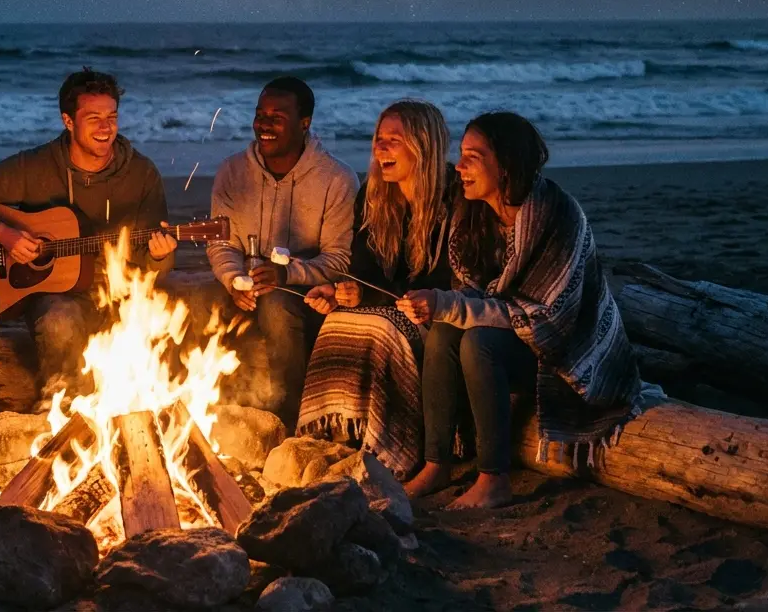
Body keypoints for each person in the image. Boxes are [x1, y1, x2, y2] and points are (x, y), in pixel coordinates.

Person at [399, 111, 640, 509]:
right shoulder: (472, 213)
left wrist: (450, 305)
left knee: (479, 342)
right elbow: (475, 292)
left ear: (506, 164)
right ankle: (436, 461)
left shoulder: (556, 214)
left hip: (569, 351)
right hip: (518, 337)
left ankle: (494, 478)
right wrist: (442, 306)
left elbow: (546, 317)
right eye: (461, 154)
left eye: (472, 157)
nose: (459, 166)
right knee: (443, 332)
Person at [0, 68, 176, 389]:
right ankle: (68, 414)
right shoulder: (36, 166)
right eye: (93, 118)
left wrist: (161, 258)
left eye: (112, 116)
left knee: (180, 321)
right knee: (58, 322)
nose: (106, 127)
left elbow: (156, 272)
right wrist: (5, 235)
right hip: (58, 294)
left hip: (121, 293)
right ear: (68, 121)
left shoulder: (141, 174)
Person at [295, 99, 456, 477]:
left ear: (424, 145)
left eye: (393, 140)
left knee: (384, 330)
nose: (379, 148)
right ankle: (336, 435)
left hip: (436, 307)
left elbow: (441, 279)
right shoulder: (374, 195)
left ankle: (391, 448)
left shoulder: (455, 199)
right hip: (390, 304)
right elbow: (362, 268)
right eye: (379, 138)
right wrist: (342, 292)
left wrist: (370, 296)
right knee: (337, 322)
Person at [207, 76, 358, 428]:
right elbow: (221, 242)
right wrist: (234, 280)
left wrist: (287, 275)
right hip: (246, 283)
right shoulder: (232, 171)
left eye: (277, 117)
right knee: (195, 303)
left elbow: (339, 260)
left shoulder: (337, 179)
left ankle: (290, 422)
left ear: (304, 123)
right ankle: (206, 417)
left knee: (277, 306)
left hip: (305, 291)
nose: (264, 124)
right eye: (260, 114)